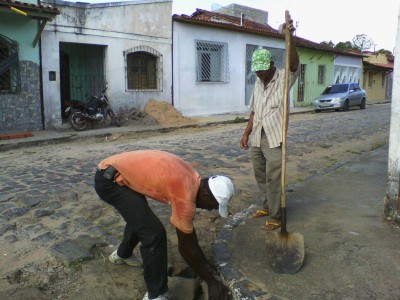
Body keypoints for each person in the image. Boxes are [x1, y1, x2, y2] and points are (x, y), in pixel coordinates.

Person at [94, 150, 234, 300]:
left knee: (141, 219)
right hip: (110, 181)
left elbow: (189, 237)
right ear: (206, 195)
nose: (211, 209)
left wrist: (206, 267)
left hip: (118, 172)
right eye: (214, 205)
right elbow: (186, 247)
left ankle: (123, 254)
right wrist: (212, 283)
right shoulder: (185, 196)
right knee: (154, 234)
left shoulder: (193, 178)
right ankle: (156, 294)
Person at [240, 20, 300, 230]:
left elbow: (294, 64)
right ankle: (267, 205)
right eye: (257, 72)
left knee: (274, 177)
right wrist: (246, 133)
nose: (260, 75)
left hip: (274, 136)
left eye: (263, 72)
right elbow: (254, 110)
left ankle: (276, 215)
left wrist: (290, 38)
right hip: (258, 135)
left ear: (272, 65)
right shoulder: (258, 82)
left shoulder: (285, 77)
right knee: (261, 174)